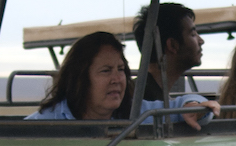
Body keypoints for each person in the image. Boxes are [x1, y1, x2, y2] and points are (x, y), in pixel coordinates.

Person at [26, 32, 219, 130]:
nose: (117, 79)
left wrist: (194, 106)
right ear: (79, 79)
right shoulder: (45, 123)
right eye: (105, 71)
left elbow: (177, 107)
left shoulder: (135, 113)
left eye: (120, 70)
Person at [131, 3, 203, 101]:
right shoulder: (144, 100)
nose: (201, 41)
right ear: (172, 45)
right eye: (193, 34)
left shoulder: (140, 92)